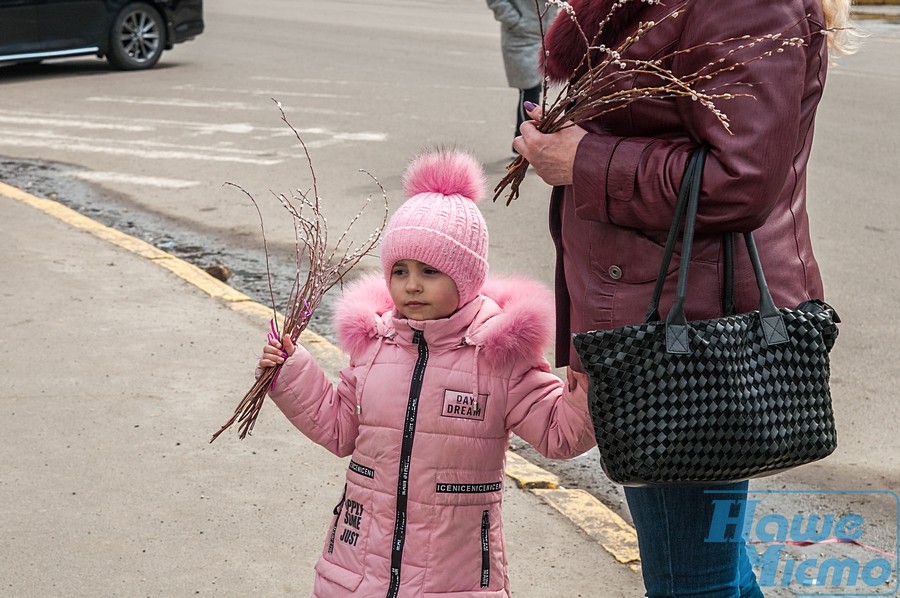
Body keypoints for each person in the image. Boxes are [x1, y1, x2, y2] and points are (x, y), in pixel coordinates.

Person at [511, 0, 859, 596]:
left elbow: (740, 179)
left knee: (690, 579)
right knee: (707, 569)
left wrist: (584, 159)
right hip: (656, 309)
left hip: (689, 331)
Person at [256, 148, 595, 597]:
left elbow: (560, 434)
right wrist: (291, 370)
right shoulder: (375, 345)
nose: (411, 284)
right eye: (400, 270)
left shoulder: (498, 356)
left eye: (430, 271)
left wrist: (591, 378)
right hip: (359, 570)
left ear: (467, 276)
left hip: (453, 578)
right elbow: (340, 429)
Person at [484, 0, 558, 154]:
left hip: (548, 33)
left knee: (536, 88)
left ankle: (521, 143)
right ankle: (525, 142)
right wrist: (516, 21)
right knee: (529, 88)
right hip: (521, 38)